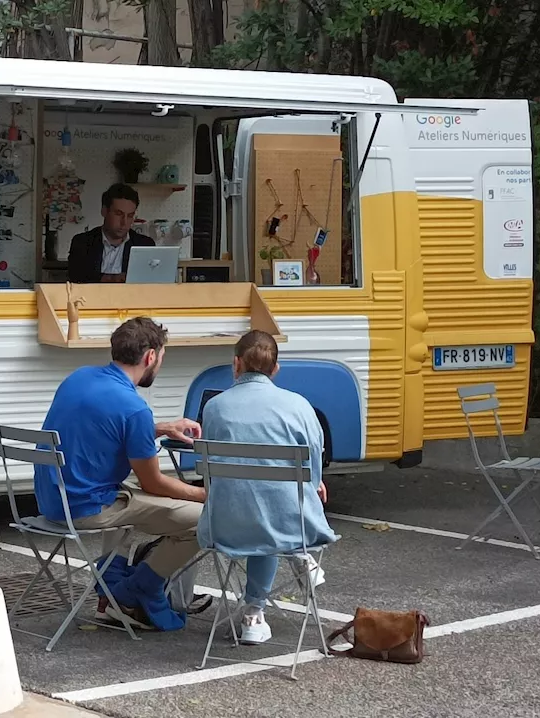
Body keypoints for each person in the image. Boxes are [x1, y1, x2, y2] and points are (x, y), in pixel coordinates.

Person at [33, 317, 204, 631]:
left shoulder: (79, 377)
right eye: (162, 358)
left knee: (127, 490)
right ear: (150, 356)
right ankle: (135, 589)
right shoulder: (133, 408)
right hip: (86, 509)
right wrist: (207, 495)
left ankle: (109, 588)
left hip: (52, 499)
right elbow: (155, 482)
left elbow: (106, 431)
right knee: (204, 520)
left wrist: (161, 428)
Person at [197, 330, 339, 645]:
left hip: (226, 525)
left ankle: (253, 613)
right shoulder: (299, 406)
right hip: (290, 525)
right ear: (275, 369)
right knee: (279, 506)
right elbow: (314, 464)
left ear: (236, 364)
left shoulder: (215, 408)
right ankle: (293, 561)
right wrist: (315, 485)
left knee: (254, 503)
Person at [66, 183, 155, 283]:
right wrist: (113, 279)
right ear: (104, 211)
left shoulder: (144, 245)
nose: (124, 222)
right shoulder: (82, 242)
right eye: (118, 214)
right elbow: (75, 277)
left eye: (130, 216)